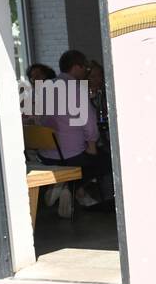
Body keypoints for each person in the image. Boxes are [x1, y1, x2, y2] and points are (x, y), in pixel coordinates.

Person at [28, 49, 110, 209]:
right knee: (108, 161)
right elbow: (90, 124)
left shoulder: (43, 88)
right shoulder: (77, 88)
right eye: (85, 68)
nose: (86, 71)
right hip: (71, 155)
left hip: (45, 155)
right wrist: (92, 145)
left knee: (91, 158)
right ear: (76, 67)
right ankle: (70, 187)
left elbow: (37, 118)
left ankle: (67, 188)